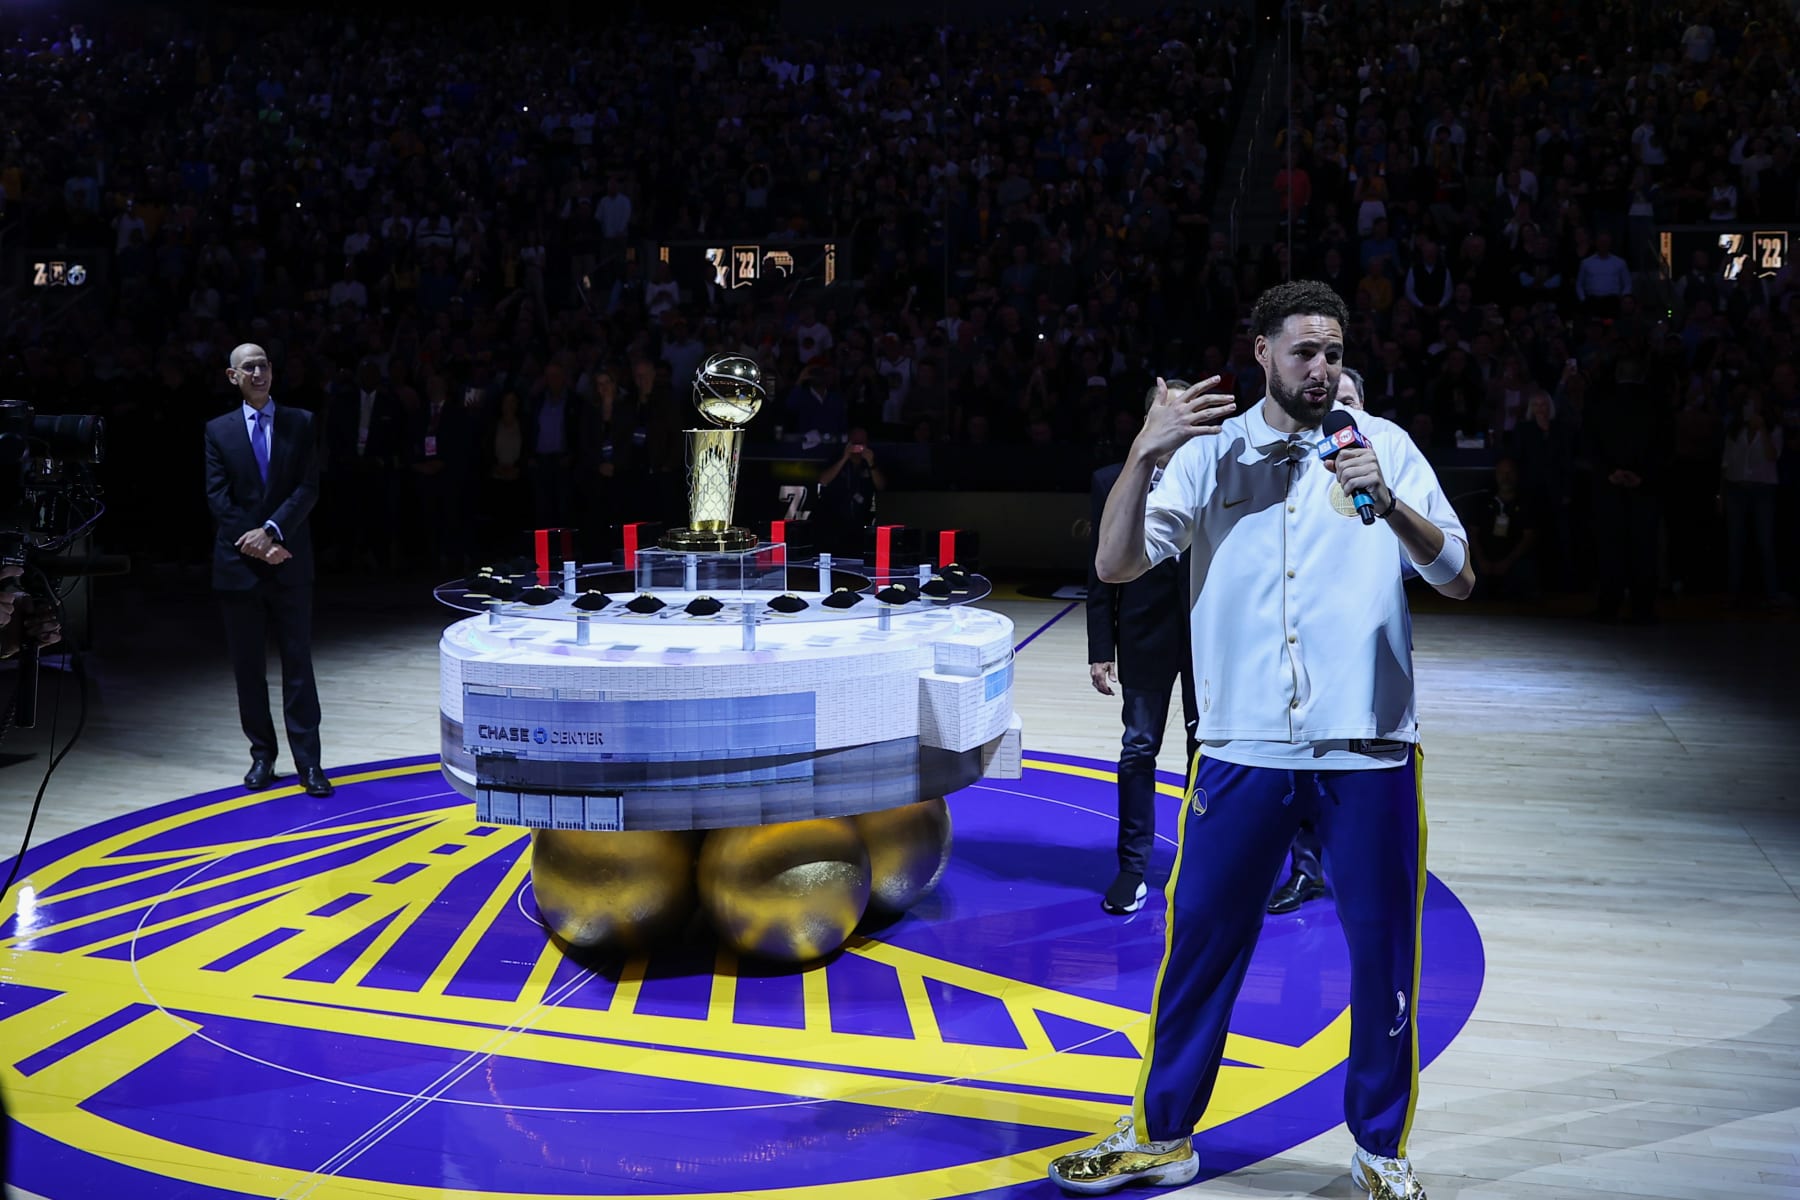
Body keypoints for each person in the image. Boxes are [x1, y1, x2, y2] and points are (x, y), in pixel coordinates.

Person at [1052, 280, 1473, 1200]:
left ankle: (1379, 1148)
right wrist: (1141, 454)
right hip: (1242, 751)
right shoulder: (1208, 458)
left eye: (1333, 352)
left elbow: (1458, 575)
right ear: (1261, 354)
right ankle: (1162, 1133)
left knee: (1383, 954)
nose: (1320, 369)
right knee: (1200, 945)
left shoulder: (1387, 447)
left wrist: (1390, 500)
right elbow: (1115, 564)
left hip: (1368, 753)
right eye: (1303, 352)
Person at [1086, 382, 1200, 916]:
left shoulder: (1214, 474)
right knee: (1138, 750)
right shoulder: (1111, 480)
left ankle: (1205, 861)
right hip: (1143, 637)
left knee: (1211, 754)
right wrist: (1099, 647)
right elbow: (1099, 573)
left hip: (1208, 640)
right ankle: (1133, 868)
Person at [204, 343, 334, 798]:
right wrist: (258, 542)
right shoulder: (217, 431)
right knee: (247, 668)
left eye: (264, 365)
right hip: (240, 565)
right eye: (249, 367)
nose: (259, 372)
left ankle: (309, 763)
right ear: (232, 376)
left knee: (298, 664)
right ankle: (262, 755)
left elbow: (308, 487)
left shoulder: (301, 421)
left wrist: (274, 533)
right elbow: (219, 499)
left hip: (290, 560)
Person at [1269, 363, 1365, 916]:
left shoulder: (1381, 466)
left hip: (1357, 648)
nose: (1338, 408)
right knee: (1303, 765)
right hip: (1305, 646)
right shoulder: (1298, 471)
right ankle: (1306, 870)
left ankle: (1351, 870)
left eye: (1348, 399)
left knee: (1347, 778)